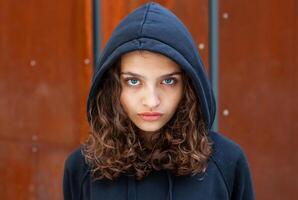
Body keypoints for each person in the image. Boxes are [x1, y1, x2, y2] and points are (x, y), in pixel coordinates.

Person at [63, 2, 254, 200]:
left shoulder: (227, 163)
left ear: (188, 86)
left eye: (168, 81)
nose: (151, 101)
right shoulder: (82, 168)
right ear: (112, 86)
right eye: (134, 81)